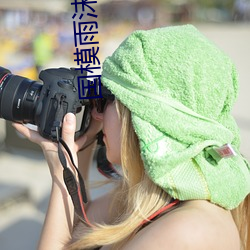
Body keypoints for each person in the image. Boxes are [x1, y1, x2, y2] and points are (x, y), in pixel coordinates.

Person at [13, 24, 250, 250]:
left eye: (108, 99)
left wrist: (60, 177)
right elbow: (76, 231)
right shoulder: (151, 195)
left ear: (144, 115)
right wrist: (74, 153)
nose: (97, 112)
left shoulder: (189, 230)